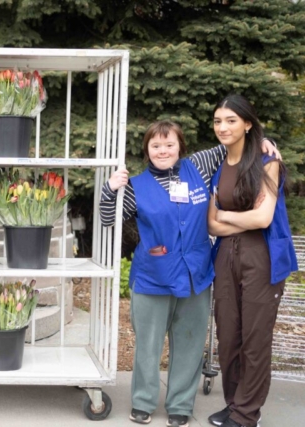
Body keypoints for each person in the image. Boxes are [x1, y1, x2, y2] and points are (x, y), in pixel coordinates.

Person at [100, 120, 278, 427]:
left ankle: (180, 404)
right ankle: (143, 402)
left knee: (190, 343)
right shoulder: (136, 186)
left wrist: (262, 140)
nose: (163, 151)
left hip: (196, 275)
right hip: (152, 277)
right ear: (147, 151)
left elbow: (233, 141)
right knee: (148, 345)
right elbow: (107, 219)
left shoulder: (200, 165)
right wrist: (109, 188)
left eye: (169, 144)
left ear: (181, 147)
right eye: (155, 146)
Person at [206, 94, 298, 427]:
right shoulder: (219, 166)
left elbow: (263, 219)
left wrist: (227, 215)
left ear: (247, 124)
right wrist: (236, 217)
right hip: (226, 258)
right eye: (218, 121)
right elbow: (211, 224)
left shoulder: (266, 160)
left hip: (263, 259)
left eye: (231, 120)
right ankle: (234, 404)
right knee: (228, 337)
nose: (223, 127)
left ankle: (247, 415)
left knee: (255, 340)